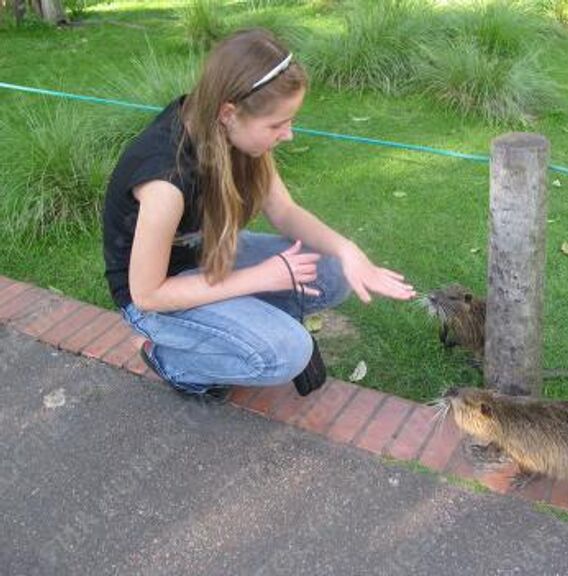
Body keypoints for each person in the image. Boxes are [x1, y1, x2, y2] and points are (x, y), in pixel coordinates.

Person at [102, 28, 416, 402]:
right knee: (287, 353)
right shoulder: (165, 181)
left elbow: (283, 211)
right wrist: (262, 277)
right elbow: (148, 294)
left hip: (206, 254)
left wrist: (349, 251)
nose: (289, 135)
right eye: (277, 125)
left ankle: (240, 323)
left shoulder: (227, 131)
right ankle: (172, 361)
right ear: (229, 113)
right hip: (155, 295)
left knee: (332, 270)